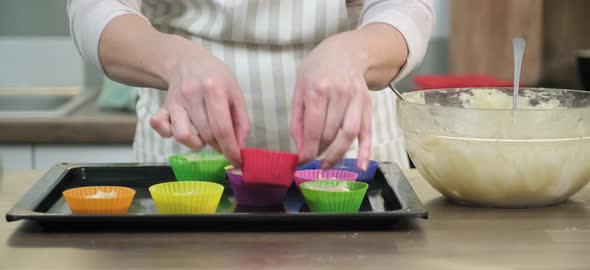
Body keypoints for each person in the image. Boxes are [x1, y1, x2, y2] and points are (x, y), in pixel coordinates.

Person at [68, 0, 433, 170]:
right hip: (187, 158)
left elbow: (406, 7)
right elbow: (94, 9)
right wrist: (173, 59)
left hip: (346, 155)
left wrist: (356, 53)